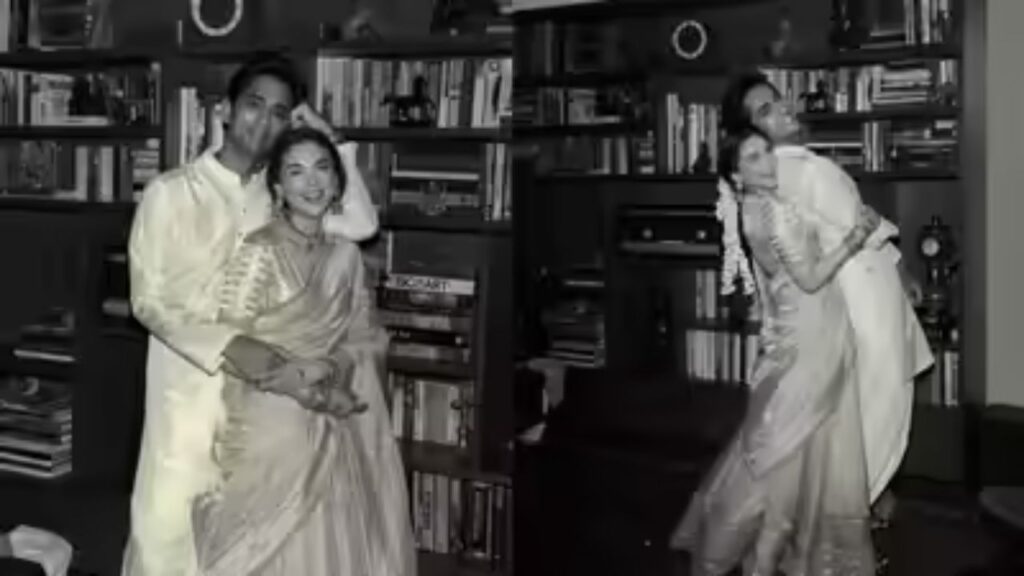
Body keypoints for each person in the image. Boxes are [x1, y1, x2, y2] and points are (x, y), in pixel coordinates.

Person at [121, 54, 379, 576]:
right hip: (189, 396)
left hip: (265, 406)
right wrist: (234, 348)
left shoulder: (280, 194)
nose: (264, 121)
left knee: (251, 550)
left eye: (281, 112)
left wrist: (326, 134)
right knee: (167, 540)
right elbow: (151, 301)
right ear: (224, 110)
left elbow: (361, 223)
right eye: (254, 105)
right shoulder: (171, 192)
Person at [189, 127, 416, 575]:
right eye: (296, 172)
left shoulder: (346, 256)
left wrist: (329, 368)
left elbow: (365, 334)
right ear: (278, 188)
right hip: (269, 410)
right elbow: (229, 340)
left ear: (337, 182)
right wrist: (300, 383)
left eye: (322, 169)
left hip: (336, 406)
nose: (311, 182)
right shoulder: (258, 252)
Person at [719, 72, 934, 518]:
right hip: (860, 295)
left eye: (778, 99)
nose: (783, 108)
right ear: (751, 133)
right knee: (879, 405)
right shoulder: (794, 171)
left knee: (867, 407)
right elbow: (854, 225)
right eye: (765, 110)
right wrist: (897, 266)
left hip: (860, 288)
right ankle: (844, 517)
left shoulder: (795, 167)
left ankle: (853, 509)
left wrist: (897, 267)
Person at [671, 126, 879, 576]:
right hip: (813, 343)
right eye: (753, 157)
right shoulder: (774, 213)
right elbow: (810, 279)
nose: (767, 162)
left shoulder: (752, 211)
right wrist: (855, 238)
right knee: (783, 485)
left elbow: (771, 290)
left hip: (798, 336)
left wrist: (773, 339)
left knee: (792, 461)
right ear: (736, 174)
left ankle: (772, 554)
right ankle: (769, 558)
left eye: (766, 151)